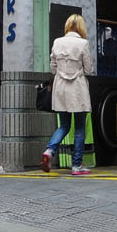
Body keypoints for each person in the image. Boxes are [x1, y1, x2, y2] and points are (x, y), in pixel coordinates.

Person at [41, 14, 94, 176]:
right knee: (79, 128)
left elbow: (53, 68)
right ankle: (76, 165)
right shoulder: (83, 44)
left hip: (61, 88)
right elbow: (89, 69)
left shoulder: (57, 42)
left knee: (64, 125)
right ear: (81, 28)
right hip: (77, 88)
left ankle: (50, 150)